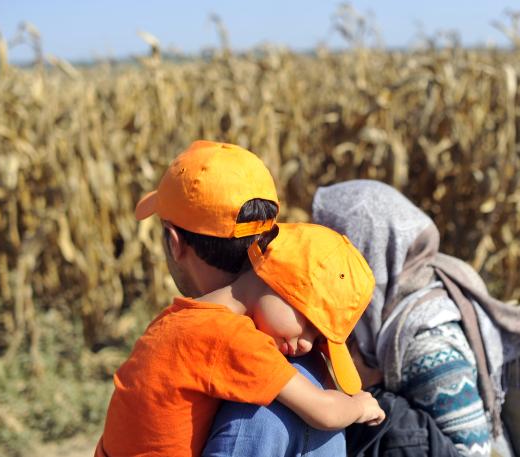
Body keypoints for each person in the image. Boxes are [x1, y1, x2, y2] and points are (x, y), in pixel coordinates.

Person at [93, 142, 385, 456]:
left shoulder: (178, 319)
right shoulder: (231, 338)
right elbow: (324, 412)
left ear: (174, 242)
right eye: (311, 324)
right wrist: (359, 407)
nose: (307, 346)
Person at [312, 180, 508, 457]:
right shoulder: (395, 305)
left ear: (367, 249)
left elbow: (473, 450)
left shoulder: (427, 341)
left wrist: (372, 392)